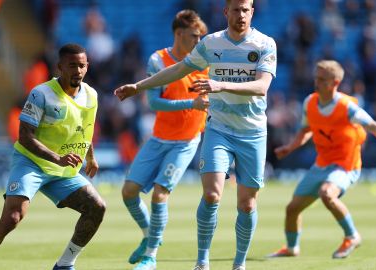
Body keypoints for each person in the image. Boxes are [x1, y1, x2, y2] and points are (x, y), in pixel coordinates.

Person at [114, 1, 277, 269]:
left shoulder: (265, 44)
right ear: (226, 12)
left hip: (253, 132)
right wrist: (139, 87)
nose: (241, 14)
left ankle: (239, 263)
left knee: (247, 205)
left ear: (252, 12)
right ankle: (202, 262)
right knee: (212, 195)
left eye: (245, 9)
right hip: (218, 129)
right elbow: (179, 68)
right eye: (235, 9)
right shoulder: (211, 44)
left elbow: (262, 87)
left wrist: (218, 84)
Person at [0, 43, 106, 270]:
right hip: (31, 163)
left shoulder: (91, 95)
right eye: (72, 65)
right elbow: (24, 136)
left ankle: (65, 264)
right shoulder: (41, 94)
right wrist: (56, 158)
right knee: (12, 218)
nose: (77, 71)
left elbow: (85, 129)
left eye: (81, 66)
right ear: (60, 67)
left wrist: (90, 157)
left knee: (97, 207)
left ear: (87, 67)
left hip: (62, 171)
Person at [267, 60, 376, 259]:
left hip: (346, 165)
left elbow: (372, 125)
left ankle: (352, 236)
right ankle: (291, 248)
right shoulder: (310, 102)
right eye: (316, 78)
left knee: (327, 194)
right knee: (292, 208)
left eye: (322, 79)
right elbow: (306, 131)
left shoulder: (346, 107)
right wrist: (290, 147)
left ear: (336, 83)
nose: (317, 82)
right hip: (322, 163)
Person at [122, 9, 209, 270]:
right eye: (194, 36)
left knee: (160, 195)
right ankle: (151, 235)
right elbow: (154, 102)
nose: (198, 41)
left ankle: (151, 256)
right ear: (178, 33)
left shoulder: (205, 61)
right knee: (128, 192)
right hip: (159, 138)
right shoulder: (158, 60)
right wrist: (191, 104)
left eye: (201, 36)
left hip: (186, 141)